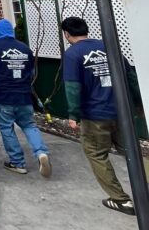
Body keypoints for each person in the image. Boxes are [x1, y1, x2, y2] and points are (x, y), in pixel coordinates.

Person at [61, 15, 149, 215]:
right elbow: (131, 78)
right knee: (131, 150)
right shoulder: (110, 47)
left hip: (95, 115)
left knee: (96, 153)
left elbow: (73, 87)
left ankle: (120, 200)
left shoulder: (73, 54)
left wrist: (73, 115)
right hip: (122, 112)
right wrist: (139, 105)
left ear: (67, 34)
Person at [0, 18, 52, 178]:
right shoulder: (25, 48)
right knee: (29, 125)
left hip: (3, 96)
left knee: (7, 128)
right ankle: (41, 153)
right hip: (24, 95)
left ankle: (17, 163)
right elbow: (31, 73)